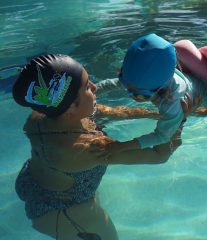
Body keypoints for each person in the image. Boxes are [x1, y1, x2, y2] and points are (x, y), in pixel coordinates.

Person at [12, 54, 192, 240]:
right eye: (86, 87)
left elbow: (113, 113)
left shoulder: (42, 114)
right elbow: (159, 154)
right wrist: (179, 120)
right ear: (71, 108)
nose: (95, 87)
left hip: (31, 180)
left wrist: (161, 113)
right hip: (63, 211)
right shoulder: (88, 149)